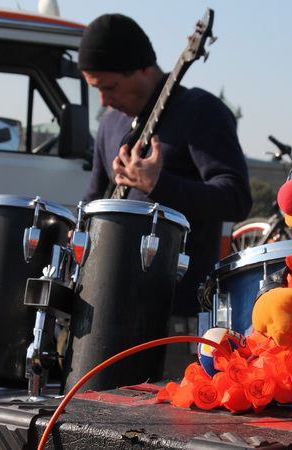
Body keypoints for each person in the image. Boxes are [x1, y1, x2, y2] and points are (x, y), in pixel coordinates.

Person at [78, 14, 252, 374]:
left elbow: (236, 197)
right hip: (104, 311)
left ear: (143, 70)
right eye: (96, 89)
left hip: (175, 318)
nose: (104, 100)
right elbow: (94, 198)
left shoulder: (201, 111)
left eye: (110, 87)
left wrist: (160, 185)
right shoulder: (110, 124)